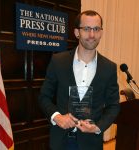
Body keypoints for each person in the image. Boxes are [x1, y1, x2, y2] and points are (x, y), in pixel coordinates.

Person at [38, 10, 120, 150]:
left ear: (101, 32)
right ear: (77, 32)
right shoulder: (58, 61)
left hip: (91, 143)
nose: (92, 34)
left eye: (96, 29)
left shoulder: (109, 68)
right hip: (60, 141)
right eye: (86, 29)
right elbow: (44, 97)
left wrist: (97, 127)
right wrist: (57, 117)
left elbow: (113, 106)